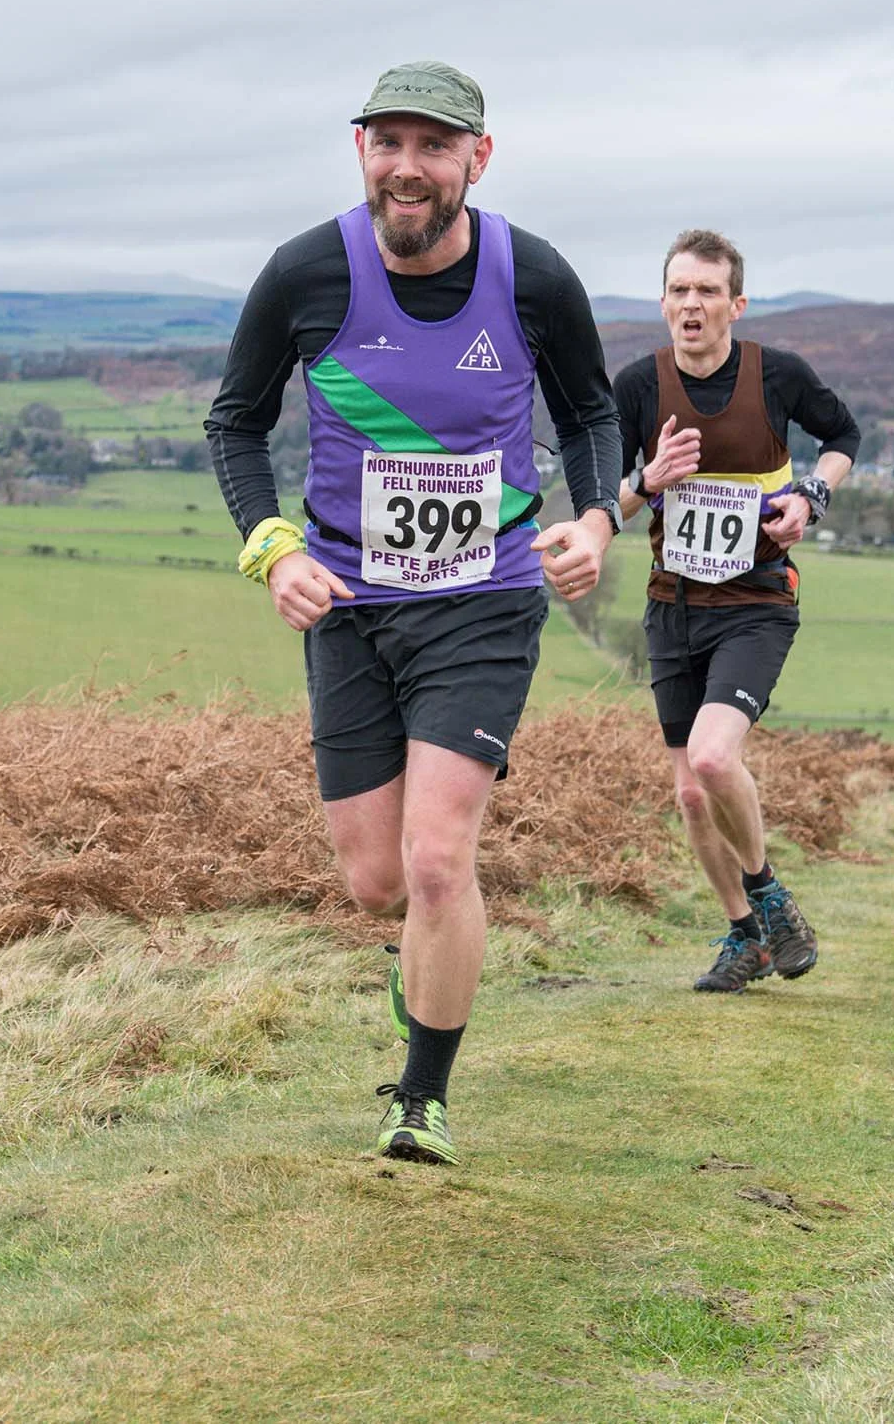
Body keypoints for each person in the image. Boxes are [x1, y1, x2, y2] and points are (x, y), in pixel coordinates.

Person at [203, 61, 623, 1165]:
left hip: (484, 598)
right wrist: (271, 547)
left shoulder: (532, 276)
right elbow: (234, 423)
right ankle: (422, 949)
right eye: (386, 141)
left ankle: (421, 1093)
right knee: (377, 878)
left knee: (439, 859)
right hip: (347, 598)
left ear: (476, 160)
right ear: (359, 151)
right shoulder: (304, 271)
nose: (407, 165)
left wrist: (597, 522)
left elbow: (588, 410)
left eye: (433, 145)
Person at [610, 230, 859, 993]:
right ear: (662, 302)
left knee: (717, 758)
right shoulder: (636, 386)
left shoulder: (777, 375)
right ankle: (746, 935)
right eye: (679, 290)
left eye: (707, 292)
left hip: (755, 601)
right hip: (672, 606)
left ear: (735, 304)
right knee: (690, 790)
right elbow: (604, 505)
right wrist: (648, 477)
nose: (691, 304)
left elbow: (843, 435)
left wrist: (810, 498)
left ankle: (770, 894)